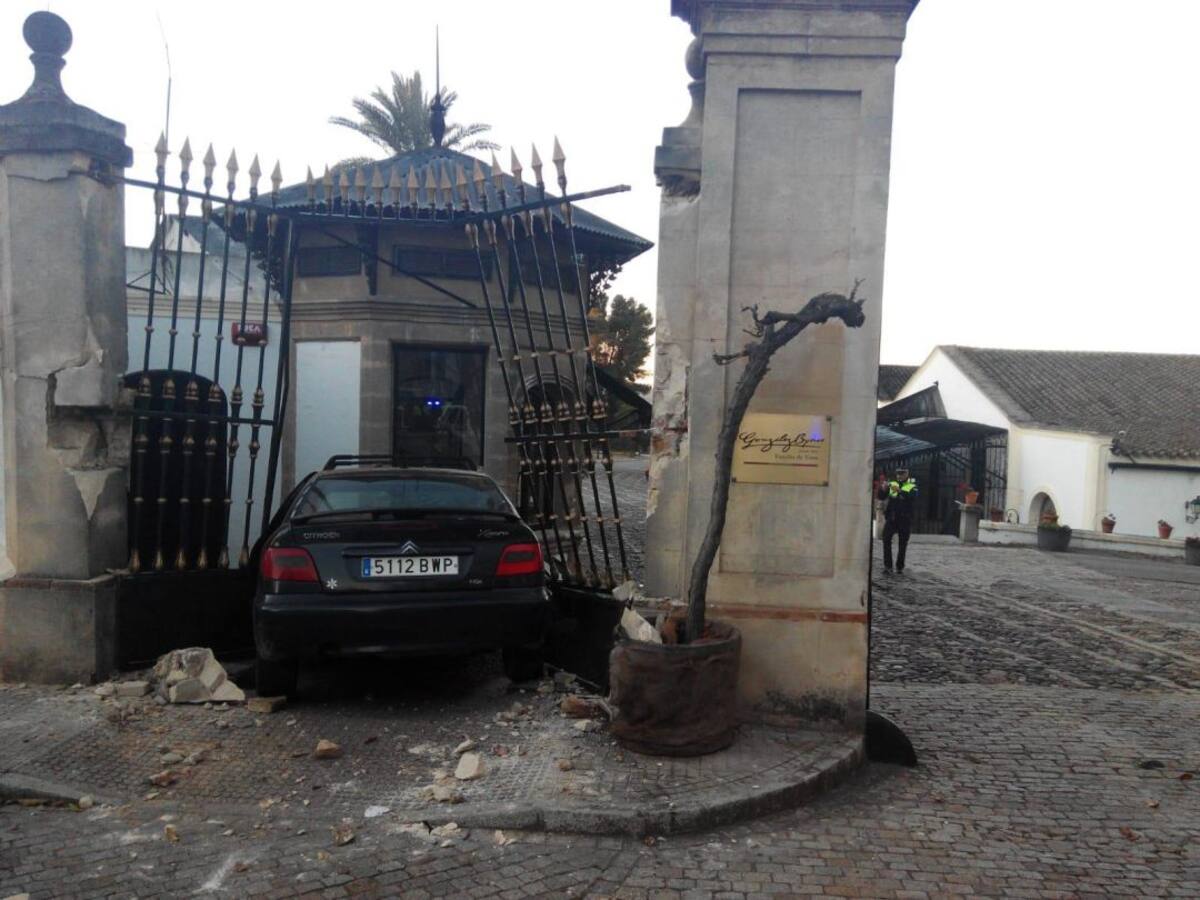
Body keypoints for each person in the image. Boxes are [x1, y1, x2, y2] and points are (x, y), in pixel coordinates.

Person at [878, 467, 918, 574]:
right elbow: (881, 496)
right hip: (892, 517)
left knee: (902, 543)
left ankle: (899, 566)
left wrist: (899, 491)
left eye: (902, 473)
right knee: (886, 539)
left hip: (905, 518)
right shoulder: (893, 484)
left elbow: (912, 497)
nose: (899, 476)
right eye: (898, 474)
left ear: (907, 473)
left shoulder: (912, 485)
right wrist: (883, 489)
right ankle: (888, 566)